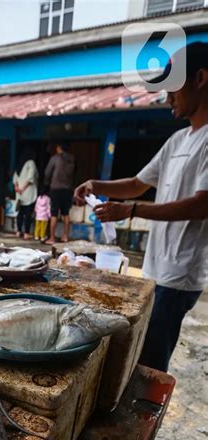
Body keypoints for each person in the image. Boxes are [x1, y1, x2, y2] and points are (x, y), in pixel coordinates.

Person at [74, 42, 208, 373]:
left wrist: (132, 211)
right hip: (154, 268)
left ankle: (143, 415)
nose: (167, 99)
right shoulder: (179, 140)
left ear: (200, 78)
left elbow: (203, 204)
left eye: (172, 88)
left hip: (179, 275)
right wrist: (96, 184)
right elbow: (137, 183)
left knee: (149, 361)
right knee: (136, 350)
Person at [44, 142, 76, 244]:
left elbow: (47, 173)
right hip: (68, 189)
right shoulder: (72, 159)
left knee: (54, 214)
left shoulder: (55, 158)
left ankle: (52, 238)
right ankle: (65, 236)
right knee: (66, 213)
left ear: (59, 148)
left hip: (56, 189)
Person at [13, 149, 38, 240]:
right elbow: (30, 177)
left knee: (20, 213)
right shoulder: (31, 163)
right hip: (28, 193)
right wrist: (22, 189)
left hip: (20, 194)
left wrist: (17, 188)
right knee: (28, 213)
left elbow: (15, 178)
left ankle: (18, 231)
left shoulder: (19, 164)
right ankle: (26, 233)